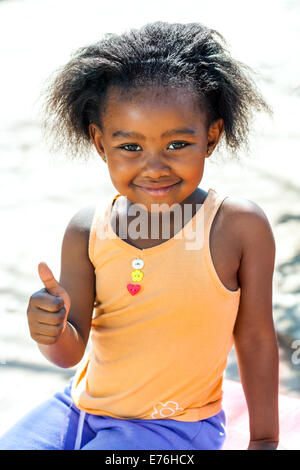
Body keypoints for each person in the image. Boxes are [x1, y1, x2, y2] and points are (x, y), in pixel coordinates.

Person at [0, 21, 279, 450]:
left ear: (211, 135)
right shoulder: (85, 229)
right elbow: (69, 354)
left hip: (174, 426)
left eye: (177, 145)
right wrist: (50, 329)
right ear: (99, 142)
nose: (154, 167)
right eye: (130, 147)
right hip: (77, 412)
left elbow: (257, 336)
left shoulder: (236, 226)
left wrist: (264, 438)